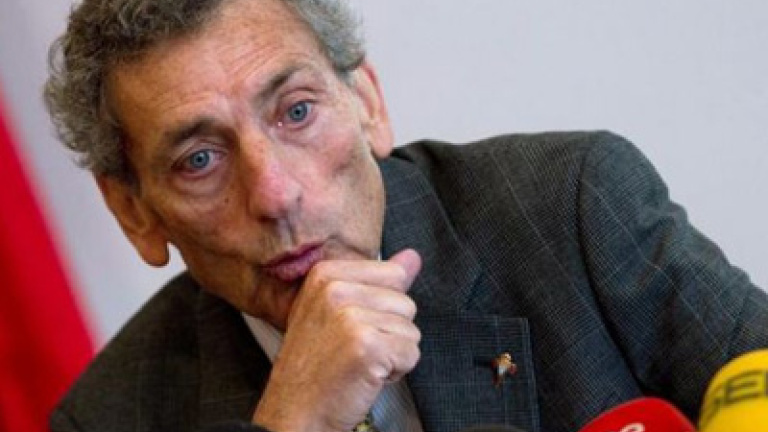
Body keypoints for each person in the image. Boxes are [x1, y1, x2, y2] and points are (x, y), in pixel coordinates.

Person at [43, 0, 768, 431]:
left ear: (368, 104)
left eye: (296, 112)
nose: (275, 195)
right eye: (200, 159)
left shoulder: (571, 209)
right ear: (135, 213)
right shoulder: (111, 416)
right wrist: (296, 423)